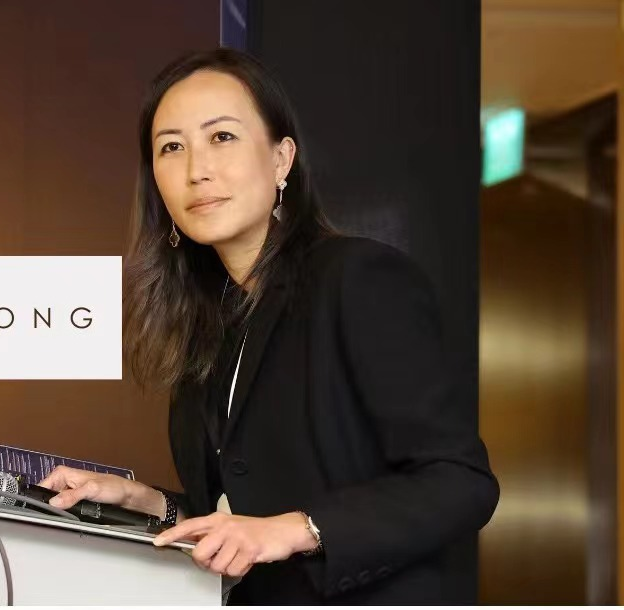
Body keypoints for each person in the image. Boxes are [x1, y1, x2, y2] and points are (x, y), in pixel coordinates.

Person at [36, 48, 498, 604]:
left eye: (222, 137)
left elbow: (460, 482)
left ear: (281, 160)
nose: (197, 169)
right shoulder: (208, 319)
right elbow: (241, 516)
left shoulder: (358, 279)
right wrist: (147, 504)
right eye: (172, 147)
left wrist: (297, 529)